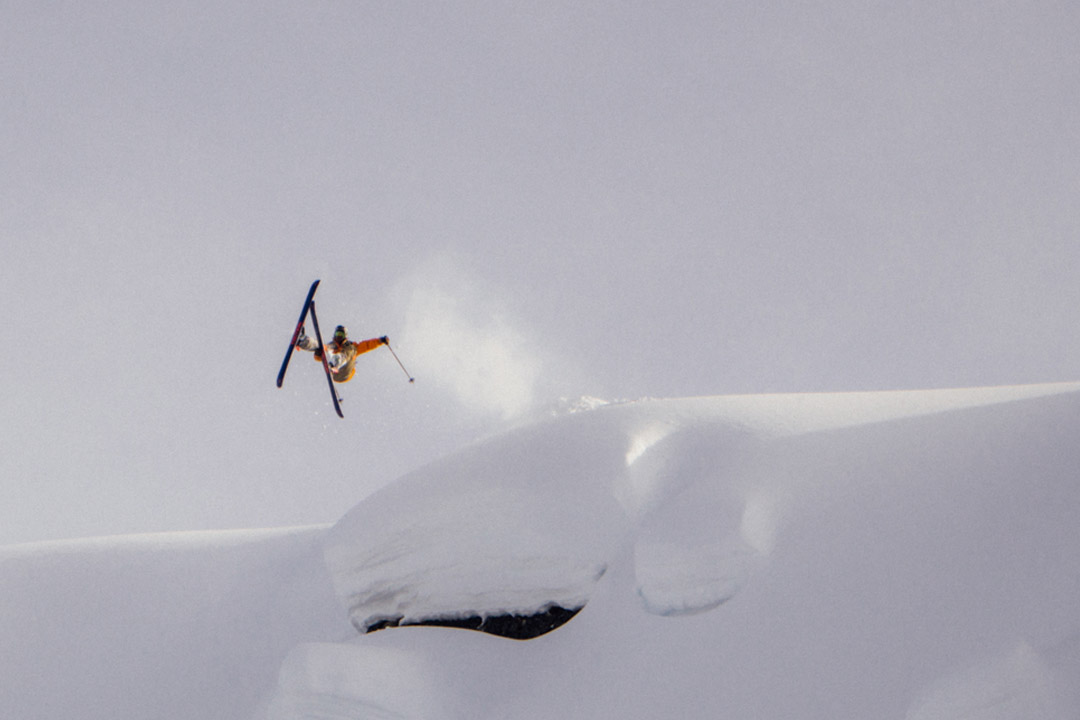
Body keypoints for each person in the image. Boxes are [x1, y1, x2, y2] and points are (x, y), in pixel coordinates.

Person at [296, 325, 389, 383]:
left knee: (351, 349)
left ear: (345, 336)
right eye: (337, 334)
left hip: (345, 372)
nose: (339, 336)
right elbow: (319, 358)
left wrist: (380, 341)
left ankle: (335, 363)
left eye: (341, 335)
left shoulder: (352, 347)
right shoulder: (333, 345)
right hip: (335, 374)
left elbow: (367, 345)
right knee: (323, 346)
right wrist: (319, 353)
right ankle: (303, 341)